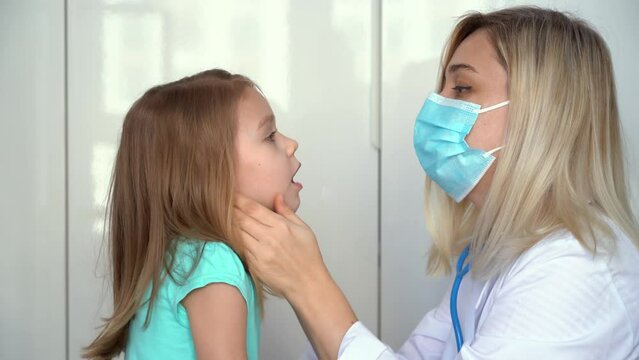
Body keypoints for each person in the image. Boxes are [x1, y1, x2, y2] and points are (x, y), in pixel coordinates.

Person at [235, 7, 639, 359]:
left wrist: (308, 282)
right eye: (443, 88)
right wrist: (301, 279)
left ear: (542, 113)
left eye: (461, 87)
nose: (436, 104)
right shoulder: (492, 254)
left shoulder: (576, 271)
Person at [84, 69, 303, 359]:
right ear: (210, 173)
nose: (291, 144)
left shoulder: (183, 257)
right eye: (270, 135)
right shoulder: (212, 262)